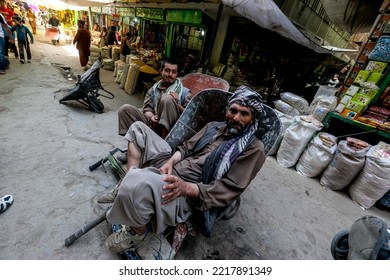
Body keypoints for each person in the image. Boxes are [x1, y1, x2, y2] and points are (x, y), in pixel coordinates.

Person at [102, 86, 266, 253]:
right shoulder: (214, 126)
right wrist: (170, 161)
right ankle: (127, 183)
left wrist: (185, 188)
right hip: (173, 167)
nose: (237, 117)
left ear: (252, 118)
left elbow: (228, 188)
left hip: (187, 192)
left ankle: (138, 232)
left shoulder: (254, 149)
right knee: (138, 128)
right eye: (233, 110)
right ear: (227, 110)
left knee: (139, 182)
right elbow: (187, 147)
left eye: (244, 113)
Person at [117, 58, 191, 142]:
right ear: (161, 71)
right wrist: (151, 116)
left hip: (172, 129)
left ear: (177, 74)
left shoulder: (185, 92)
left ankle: (163, 144)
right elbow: (147, 109)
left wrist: (177, 103)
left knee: (166, 98)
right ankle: (135, 143)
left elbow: (189, 118)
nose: (170, 74)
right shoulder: (154, 89)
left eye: (174, 72)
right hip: (153, 126)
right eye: (167, 70)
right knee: (125, 109)